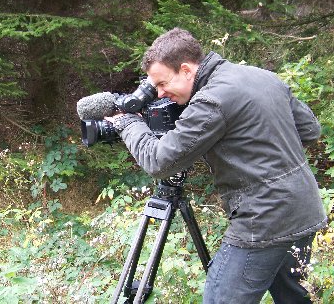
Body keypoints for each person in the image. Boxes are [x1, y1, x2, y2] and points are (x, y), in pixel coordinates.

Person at [105, 28, 327, 303]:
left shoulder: (212, 100)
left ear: (186, 69)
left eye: (162, 84)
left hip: (265, 219)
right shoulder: (263, 77)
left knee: (220, 298)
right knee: (291, 297)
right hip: (304, 209)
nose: (160, 94)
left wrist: (127, 122)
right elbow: (310, 130)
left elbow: (159, 161)